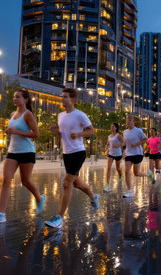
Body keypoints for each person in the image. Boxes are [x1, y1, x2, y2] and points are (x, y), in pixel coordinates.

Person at [0, 90, 44, 223]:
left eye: (18, 97)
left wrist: (16, 131)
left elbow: (36, 134)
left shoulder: (28, 115)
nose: (15, 99)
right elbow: (13, 131)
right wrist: (9, 132)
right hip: (12, 152)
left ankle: (39, 198)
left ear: (26, 100)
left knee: (26, 181)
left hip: (27, 152)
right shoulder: (13, 114)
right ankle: (1, 214)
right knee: (6, 180)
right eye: (14, 97)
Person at [45, 88, 100, 228]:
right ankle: (93, 197)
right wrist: (55, 132)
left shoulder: (80, 115)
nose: (62, 99)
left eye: (65, 97)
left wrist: (79, 135)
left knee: (66, 183)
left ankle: (59, 218)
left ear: (73, 99)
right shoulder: (60, 115)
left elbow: (91, 130)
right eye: (61, 97)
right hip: (66, 153)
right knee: (75, 183)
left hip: (78, 152)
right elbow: (63, 135)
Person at [122, 114, 149, 198]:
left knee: (136, 173)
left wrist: (136, 144)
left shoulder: (138, 131)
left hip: (137, 153)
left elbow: (145, 140)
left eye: (130, 119)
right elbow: (125, 143)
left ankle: (148, 174)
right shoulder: (125, 132)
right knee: (126, 172)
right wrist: (124, 151)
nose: (128, 121)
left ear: (133, 121)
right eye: (127, 120)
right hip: (129, 154)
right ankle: (130, 191)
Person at [104, 123, 124, 192]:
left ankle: (120, 175)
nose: (112, 128)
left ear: (116, 128)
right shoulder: (109, 136)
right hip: (110, 154)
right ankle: (107, 186)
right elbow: (107, 143)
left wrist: (118, 145)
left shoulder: (118, 136)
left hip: (118, 154)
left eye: (113, 126)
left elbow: (123, 143)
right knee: (108, 168)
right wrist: (106, 146)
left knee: (118, 168)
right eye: (111, 126)